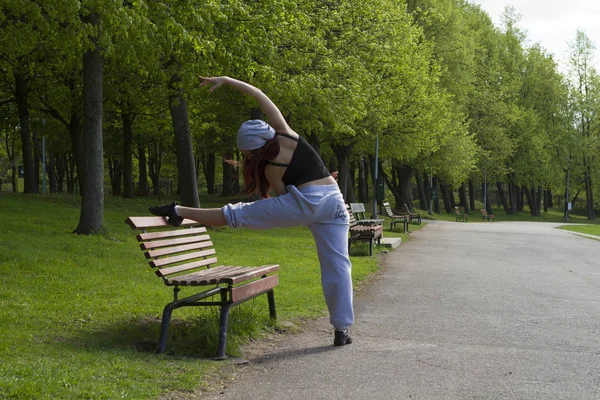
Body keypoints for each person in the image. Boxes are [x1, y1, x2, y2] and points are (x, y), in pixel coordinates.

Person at [149, 76, 353, 346]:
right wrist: (227, 80)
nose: (245, 158)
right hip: (334, 200)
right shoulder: (286, 133)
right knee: (338, 267)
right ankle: (342, 330)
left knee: (236, 214)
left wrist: (224, 80)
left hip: (309, 202)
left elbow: (285, 200)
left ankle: (178, 210)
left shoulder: (270, 165)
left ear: (256, 147)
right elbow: (259, 94)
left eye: (246, 154)